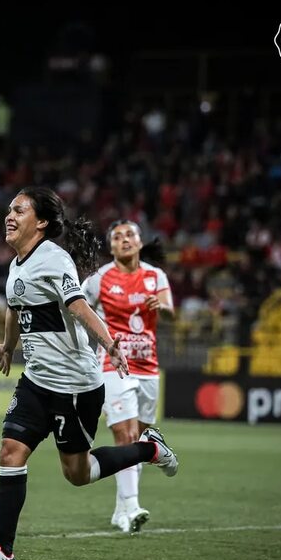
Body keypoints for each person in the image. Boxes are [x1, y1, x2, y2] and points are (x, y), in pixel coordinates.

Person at [0, 188, 178, 560]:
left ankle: (148, 449)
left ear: (41, 222)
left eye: (18, 209)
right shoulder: (17, 264)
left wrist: (110, 344)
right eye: (8, 209)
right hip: (37, 380)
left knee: (77, 474)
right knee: (10, 451)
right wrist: (9, 348)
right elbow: (15, 308)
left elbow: (78, 306)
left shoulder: (54, 259)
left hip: (75, 385)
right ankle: (2, 551)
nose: (8, 215)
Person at [82, 220, 175, 533]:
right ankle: (132, 505)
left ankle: (121, 510)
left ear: (139, 241)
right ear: (110, 247)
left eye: (129, 235)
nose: (124, 240)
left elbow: (171, 312)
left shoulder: (155, 275)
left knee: (135, 440)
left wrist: (160, 304)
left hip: (148, 367)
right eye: (117, 237)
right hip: (114, 364)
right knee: (124, 434)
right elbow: (77, 307)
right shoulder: (99, 279)